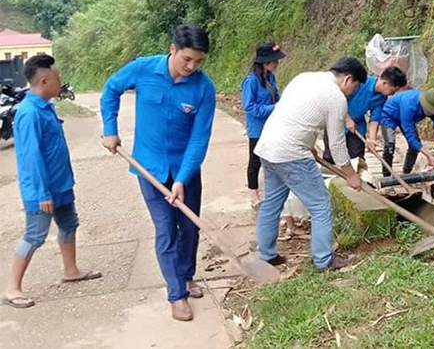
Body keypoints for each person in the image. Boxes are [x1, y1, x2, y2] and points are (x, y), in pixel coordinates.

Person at [100, 24, 216, 322]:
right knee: (166, 230)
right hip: (148, 168)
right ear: (172, 48)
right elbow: (111, 90)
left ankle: (187, 276)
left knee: (189, 227)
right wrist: (109, 129)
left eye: (198, 61)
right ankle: (176, 294)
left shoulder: (203, 88)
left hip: (185, 170)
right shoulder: (143, 69)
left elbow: (199, 138)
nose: (192, 67)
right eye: (186, 59)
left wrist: (181, 179)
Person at [3, 54, 102, 309]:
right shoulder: (29, 113)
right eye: (57, 78)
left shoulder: (46, 106)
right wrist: (42, 192)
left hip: (60, 184)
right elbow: (31, 157)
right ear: (45, 81)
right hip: (42, 189)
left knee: (69, 223)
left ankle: (71, 270)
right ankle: (12, 288)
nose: (60, 82)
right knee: (35, 235)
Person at [254, 57, 366, 272]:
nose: (352, 92)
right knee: (321, 205)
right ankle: (324, 260)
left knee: (271, 202)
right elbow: (336, 143)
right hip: (291, 153)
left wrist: (310, 145)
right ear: (348, 79)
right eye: (355, 86)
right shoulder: (336, 98)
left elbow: (296, 116)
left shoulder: (305, 77)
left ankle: (267, 255)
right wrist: (351, 174)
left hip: (268, 147)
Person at [323, 65, 407, 166]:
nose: (392, 95)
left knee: (357, 160)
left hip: (357, 127)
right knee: (330, 158)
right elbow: (337, 98)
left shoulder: (381, 98)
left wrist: (372, 140)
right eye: (392, 91)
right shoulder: (360, 82)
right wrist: (347, 119)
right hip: (336, 121)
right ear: (385, 83)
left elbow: (375, 119)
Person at [241, 42, 285, 210]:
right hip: (257, 129)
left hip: (273, 126)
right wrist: (273, 108)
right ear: (265, 62)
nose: (277, 64)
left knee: (272, 159)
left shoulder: (270, 77)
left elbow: (276, 94)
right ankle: (254, 196)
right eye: (275, 61)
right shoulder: (251, 81)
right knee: (255, 162)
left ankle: (272, 194)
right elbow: (249, 106)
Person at [380, 88, 434, 176]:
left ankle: (406, 174)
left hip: (407, 119)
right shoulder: (410, 105)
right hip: (389, 115)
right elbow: (410, 137)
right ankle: (387, 178)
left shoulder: (433, 103)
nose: (432, 114)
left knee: (414, 148)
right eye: (430, 111)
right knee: (389, 146)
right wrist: (429, 155)